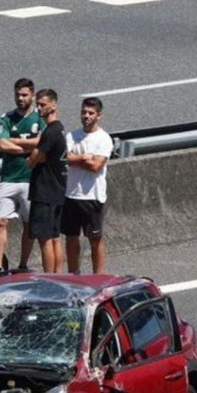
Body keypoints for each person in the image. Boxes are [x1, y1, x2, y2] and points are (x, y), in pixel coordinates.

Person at [0, 79, 42, 273]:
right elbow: (2, 144)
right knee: (0, 220)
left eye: (24, 95)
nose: (20, 98)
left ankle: (23, 264)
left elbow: (42, 142)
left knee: (29, 224)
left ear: (32, 95)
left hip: (31, 179)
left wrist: (17, 143)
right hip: (9, 178)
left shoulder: (39, 118)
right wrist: (25, 149)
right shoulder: (7, 117)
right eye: (17, 95)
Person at [64, 96, 113, 274]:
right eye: (84, 112)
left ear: (98, 115)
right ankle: (73, 273)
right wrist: (85, 157)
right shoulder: (72, 135)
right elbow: (65, 159)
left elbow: (96, 166)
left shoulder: (104, 139)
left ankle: (98, 275)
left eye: (90, 113)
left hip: (93, 196)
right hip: (71, 194)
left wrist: (77, 159)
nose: (86, 116)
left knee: (95, 238)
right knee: (71, 237)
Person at [23, 88, 68, 272]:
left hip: (45, 191)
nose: (39, 108)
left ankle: (50, 277)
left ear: (53, 105)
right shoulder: (60, 129)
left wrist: (32, 155)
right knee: (55, 237)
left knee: (45, 239)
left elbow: (34, 160)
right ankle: (58, 276)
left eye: (43, 104)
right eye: (38, 105)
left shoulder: (50, 132)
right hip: (58, 190)